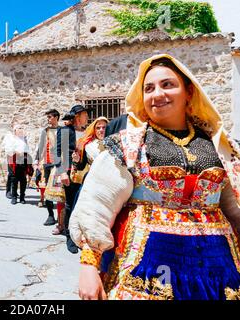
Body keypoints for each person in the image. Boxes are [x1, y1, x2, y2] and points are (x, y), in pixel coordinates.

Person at [70, 54, 240, 300]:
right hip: (147, 267)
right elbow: (97, 205)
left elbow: (232, 207)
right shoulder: (129, 145)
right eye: (148, 88)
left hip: (218, 269)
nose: (157, 94)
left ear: (188, 92)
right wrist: (88, 265)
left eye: (167, 84)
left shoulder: (218, 145)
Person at [56, 104, 89, 254]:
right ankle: (70, 237)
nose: (87, 117)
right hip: (71, 173)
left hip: (87, 173)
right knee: (71, 205)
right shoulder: (64, 131)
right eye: (85, 115)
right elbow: (57, 153)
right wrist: (62, 172)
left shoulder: (88, 132)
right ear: (78, 116)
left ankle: (82, 235)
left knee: (84, 205)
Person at [34, 109, 61, 226]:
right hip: (47, 163)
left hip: (58, 164)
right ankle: (50, 215)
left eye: (50, 117)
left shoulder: (62, 130)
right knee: (47, 190)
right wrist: (37, 160)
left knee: (60, 190)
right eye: (48, 117)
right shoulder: (45, 131)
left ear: (56, 117)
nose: (48, 119)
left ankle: (61, 217)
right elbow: (41, 146)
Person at [71, 116, 108, 185]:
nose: (101, 130)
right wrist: (77, 160)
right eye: (98, 128)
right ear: (94, 130)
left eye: (104, 127)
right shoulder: (88, 146)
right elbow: (81, 167)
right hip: (94, 180)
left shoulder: (115, 143)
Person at [4, 125, 32, 205]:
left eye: (21, 128)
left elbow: (27, 149)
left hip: (23, 160)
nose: (20, 130)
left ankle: (22, 197)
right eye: (19, 128)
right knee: (14, 179)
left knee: (23, 179)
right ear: (15, 130)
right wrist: (16, 152)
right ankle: (14, 197)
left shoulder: (24, 138)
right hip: (13, 160)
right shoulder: (11, 138)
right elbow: (8, 149)